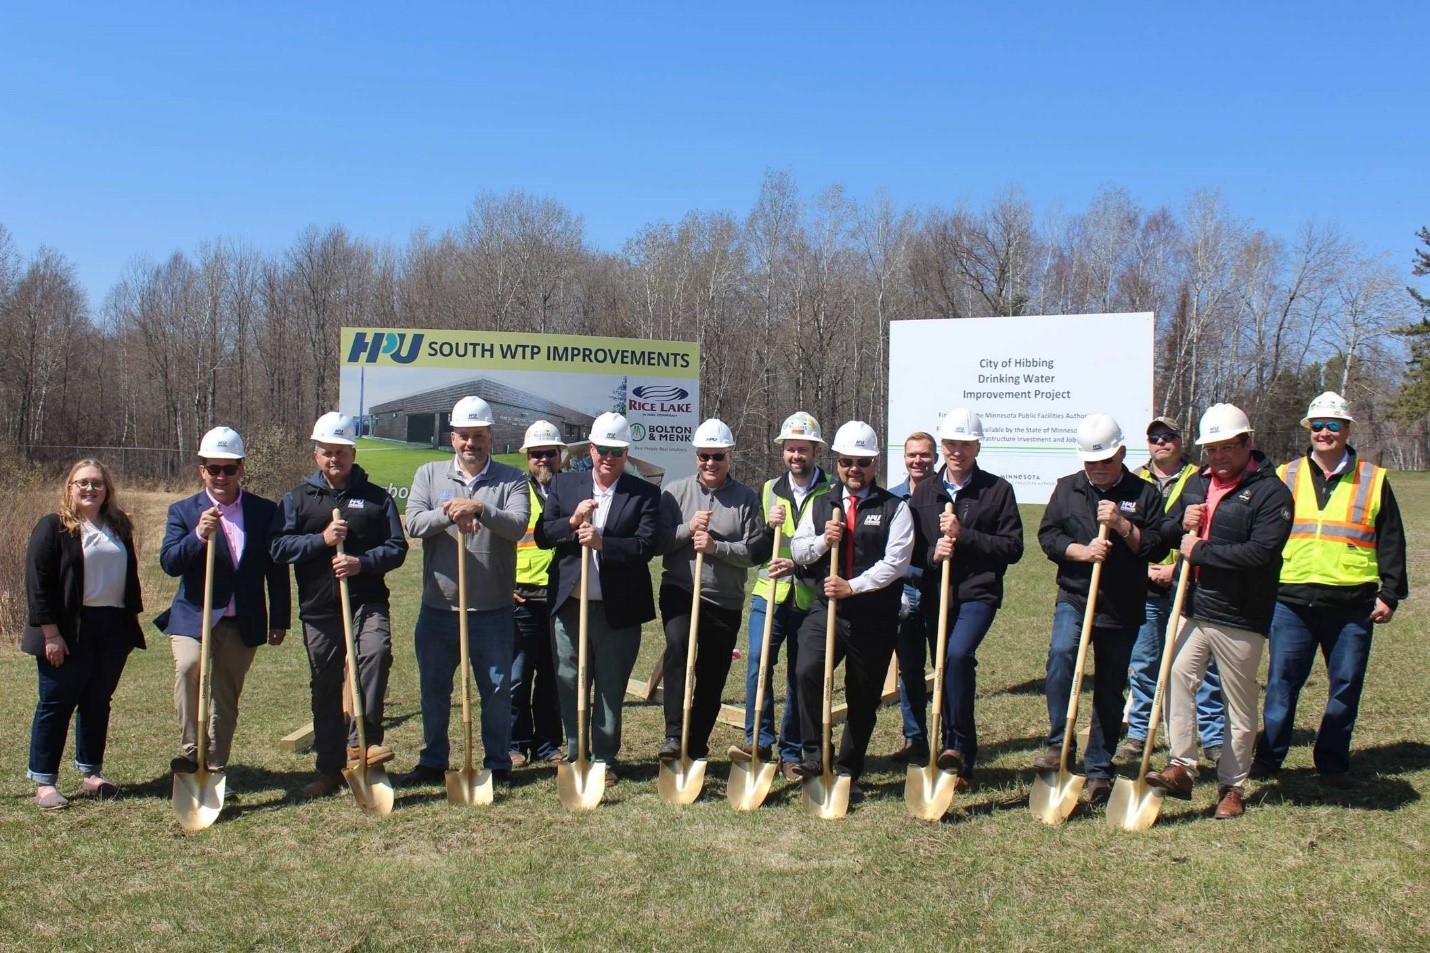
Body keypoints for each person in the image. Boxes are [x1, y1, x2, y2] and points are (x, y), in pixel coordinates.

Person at [1252, 392, 1408, 785]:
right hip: (1291, 600)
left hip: (1351, 603)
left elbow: (1391, 539)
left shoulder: (1373, 479)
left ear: (1347, 430)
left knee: (1346, 685)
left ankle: (1332, 762)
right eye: (1317, 426)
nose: (1324, 433)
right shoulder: (1284, 475)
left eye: (1333, 425)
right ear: (1308, 430)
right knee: (1281, 684)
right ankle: (1269, 759)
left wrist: (1390, 593)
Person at [1145, 404, 1293, 819]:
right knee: (1174, 678)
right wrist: (1181, 524)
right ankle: (1182, 766)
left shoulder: (1271, 492)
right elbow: (1166, 532)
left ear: (1248, 443)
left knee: (1239, 704)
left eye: (1227, 448)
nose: (1218, 458)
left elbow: (1262, 554)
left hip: (1241, 614)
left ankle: (1232, 786)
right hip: (1192, 607)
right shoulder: (1196, 482)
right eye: (1211, 450)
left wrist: (1201, 550)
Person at [1034, 414, 1172, 807]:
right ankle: (1060, 743)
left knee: (1110, 689)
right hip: (1076, 595)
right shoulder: (1067, 489)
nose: (1096, 470)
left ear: (1122, 454)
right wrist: (1080, 551)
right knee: (1061, 656)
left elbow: (1157, 546)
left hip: (1122, 602)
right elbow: (1049, 535)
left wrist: (1123, 526)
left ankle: (1098, 768)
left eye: (1105, 462)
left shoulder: (1144, 494)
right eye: (1090, 463)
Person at [271, 412, 408, 800]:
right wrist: (322, 540)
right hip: (319, 608)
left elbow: (397, 548)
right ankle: (329, 767)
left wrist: (361, 562)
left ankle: (363, 745)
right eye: (327, 453)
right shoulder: (297, 500)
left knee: (375, 656)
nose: (335, 460)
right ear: (316, 454)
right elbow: (279, 548)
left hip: (367, 602)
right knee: (326, 684)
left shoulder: (377, 498)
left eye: (342, 452)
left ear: (352, 452)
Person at [397, 397, 529, 789]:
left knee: (496, 691)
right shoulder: (430, 473)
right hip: (440, 607)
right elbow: (415, 524)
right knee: (435, 690)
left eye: (478, 436)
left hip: (492, 609)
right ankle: (433, 760)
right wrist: (448, 513)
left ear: (491, 437)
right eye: (464, 436)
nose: (471, 443)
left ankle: (497, 762)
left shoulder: (511, 479)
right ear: (452, 437)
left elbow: (518, 524)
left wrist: (480, 508)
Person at [789, 421, 913, 800]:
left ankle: (848, 769)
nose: (853, 469)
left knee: (862, 695)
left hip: (872, 615)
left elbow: (896, 564)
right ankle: (813, 753)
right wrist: (824, 542)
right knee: (806, 669)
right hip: (827, 610)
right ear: (837, 462)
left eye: (862, 462)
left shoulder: (895, 508)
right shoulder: (822, 502)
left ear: (874, 463)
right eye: (846, 462)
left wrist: (853, 586)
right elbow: (798, 549)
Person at [157, 427, 290, 782]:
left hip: (241, 619)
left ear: (241, 469)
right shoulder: (183, 512)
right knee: (189, 667)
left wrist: (279, 619)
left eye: (228, 469)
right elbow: (170, 563)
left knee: (226, 694)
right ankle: (191, 751)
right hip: (194, 616)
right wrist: (198, 535)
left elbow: (276, 570)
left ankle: (214, 764)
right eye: (213, 468)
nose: (220, 476)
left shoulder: (263, 512)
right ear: (201, 469)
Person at [535, 412, 659, 787]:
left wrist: (604, 542)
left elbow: (645, 546)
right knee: (570, 679)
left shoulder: (644, 494)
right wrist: (572, 523)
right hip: (569, 603)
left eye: (616, 451)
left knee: (609, 685)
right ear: (590, 449)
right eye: (602, 449)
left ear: (626, 453)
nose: (608, 457)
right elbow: (543, 535)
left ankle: (603, 758)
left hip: (617, 608)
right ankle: (576, 753)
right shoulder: (565, 485)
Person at [908, 408, 1024, 789]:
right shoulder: (924, 492)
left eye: (965, 444)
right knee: (944, 667)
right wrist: (932, 555)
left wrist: (964, 536)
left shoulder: (997, 490)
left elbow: (1012, 547)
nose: (957, 451)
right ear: (943, 446)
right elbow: (911, 551)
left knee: (958, 655)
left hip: (978, 591)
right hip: (935, 595)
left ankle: (960, 749)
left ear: (977, 446)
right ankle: (950, 756)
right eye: (952, 444)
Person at [23, 459, 145, 810]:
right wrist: (51, 634)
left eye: (97, 483)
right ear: (69, 488)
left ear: (108, 489)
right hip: (67, 630)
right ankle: (44, 782)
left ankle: (91, 773)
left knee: (97, 702)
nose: (90, 489)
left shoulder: (119, 526)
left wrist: (128, 626)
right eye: (82, 483)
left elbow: (130, 577)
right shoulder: (54, 527)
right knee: (56, 703)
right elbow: (38, 585)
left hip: (111, 628)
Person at [655, 419, 762, 763]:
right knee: (678, 647)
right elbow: (658, 543)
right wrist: (687, 529)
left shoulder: (746, 499)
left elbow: (755, 553)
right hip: (681, 590)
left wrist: (718, 548)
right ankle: (674, 735)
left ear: (730, 456)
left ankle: (697, 741)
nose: (710, 463)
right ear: (696, 456)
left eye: (718, 456)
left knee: (713, 672)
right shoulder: (675, 492)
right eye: (704, 456)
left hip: (723, 598)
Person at [1119, 417, 1225, 763]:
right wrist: (1146, 567)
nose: (1161, 442)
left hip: (1188, 583)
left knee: (1199, 665)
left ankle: (1211, 735)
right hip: (1143, 583)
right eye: (1154, 437)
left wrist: (1175, 566)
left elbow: (1207, 533)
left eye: (1168, 437)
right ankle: (1137, 732)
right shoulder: (1133, 479)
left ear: (1181, 441)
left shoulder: (1201, 480)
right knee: (1144, 661)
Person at [737, 411, 833, 783]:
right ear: (783, 452)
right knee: (759, 662)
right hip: (769, 594)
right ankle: (757, 740)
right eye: (791, 449)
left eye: (803, 450)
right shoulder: (768, 490)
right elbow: (757, 551)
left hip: (810, 599)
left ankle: (791, 751)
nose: (796, 456)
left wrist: (798, 564)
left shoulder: (830, 491)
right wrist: (768, 528)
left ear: (816, 452)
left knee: (800, 674)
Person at [509, 420, 567, 767]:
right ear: (527, 458)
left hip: (559, 596)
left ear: (560, 455)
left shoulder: (573, 489)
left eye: (548, 453)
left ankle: (548, 745)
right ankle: (515, 743)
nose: (542, 460)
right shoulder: (514, 492)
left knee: (552, 676)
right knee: (516, 677)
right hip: (521, 596)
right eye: (535, 455)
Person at [888, 430, 937, 764]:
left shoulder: (946, 495)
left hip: (939, 591)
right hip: (904, 593)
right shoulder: (893, 498)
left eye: (925, 455)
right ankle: (915, 739)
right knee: (910, 668)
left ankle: (948, 739)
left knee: (947, 666)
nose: (918, 461)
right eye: (912, 455)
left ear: (935, 458)